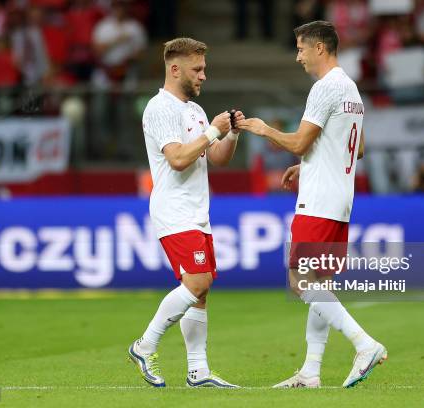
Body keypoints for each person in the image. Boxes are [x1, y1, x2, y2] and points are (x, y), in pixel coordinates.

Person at [237, 20, 386, 389]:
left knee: (300, 279)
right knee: (320, 279)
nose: (298, 55)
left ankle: (364, 344)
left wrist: (263, 129)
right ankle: (311, 371)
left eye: (302, 48)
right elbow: (358, 147)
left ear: (320, 48)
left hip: (319, 201)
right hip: (340, 197)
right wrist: (306, 164)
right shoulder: (350, 87)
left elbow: (302, 141)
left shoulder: (325, 87)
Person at [128, 37, 244, 388]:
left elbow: (217, 158)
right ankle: (144, 345)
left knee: (201, 292)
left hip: (197, 211)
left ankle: (199, 371)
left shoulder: (194, 111)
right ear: (175, 69)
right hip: (173, 209)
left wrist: (231, 134)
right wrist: (213, 132)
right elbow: (177, 159)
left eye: (204, 69)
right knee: (197, 282)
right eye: (197, 69)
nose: (203, 76)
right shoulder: (159, 108)